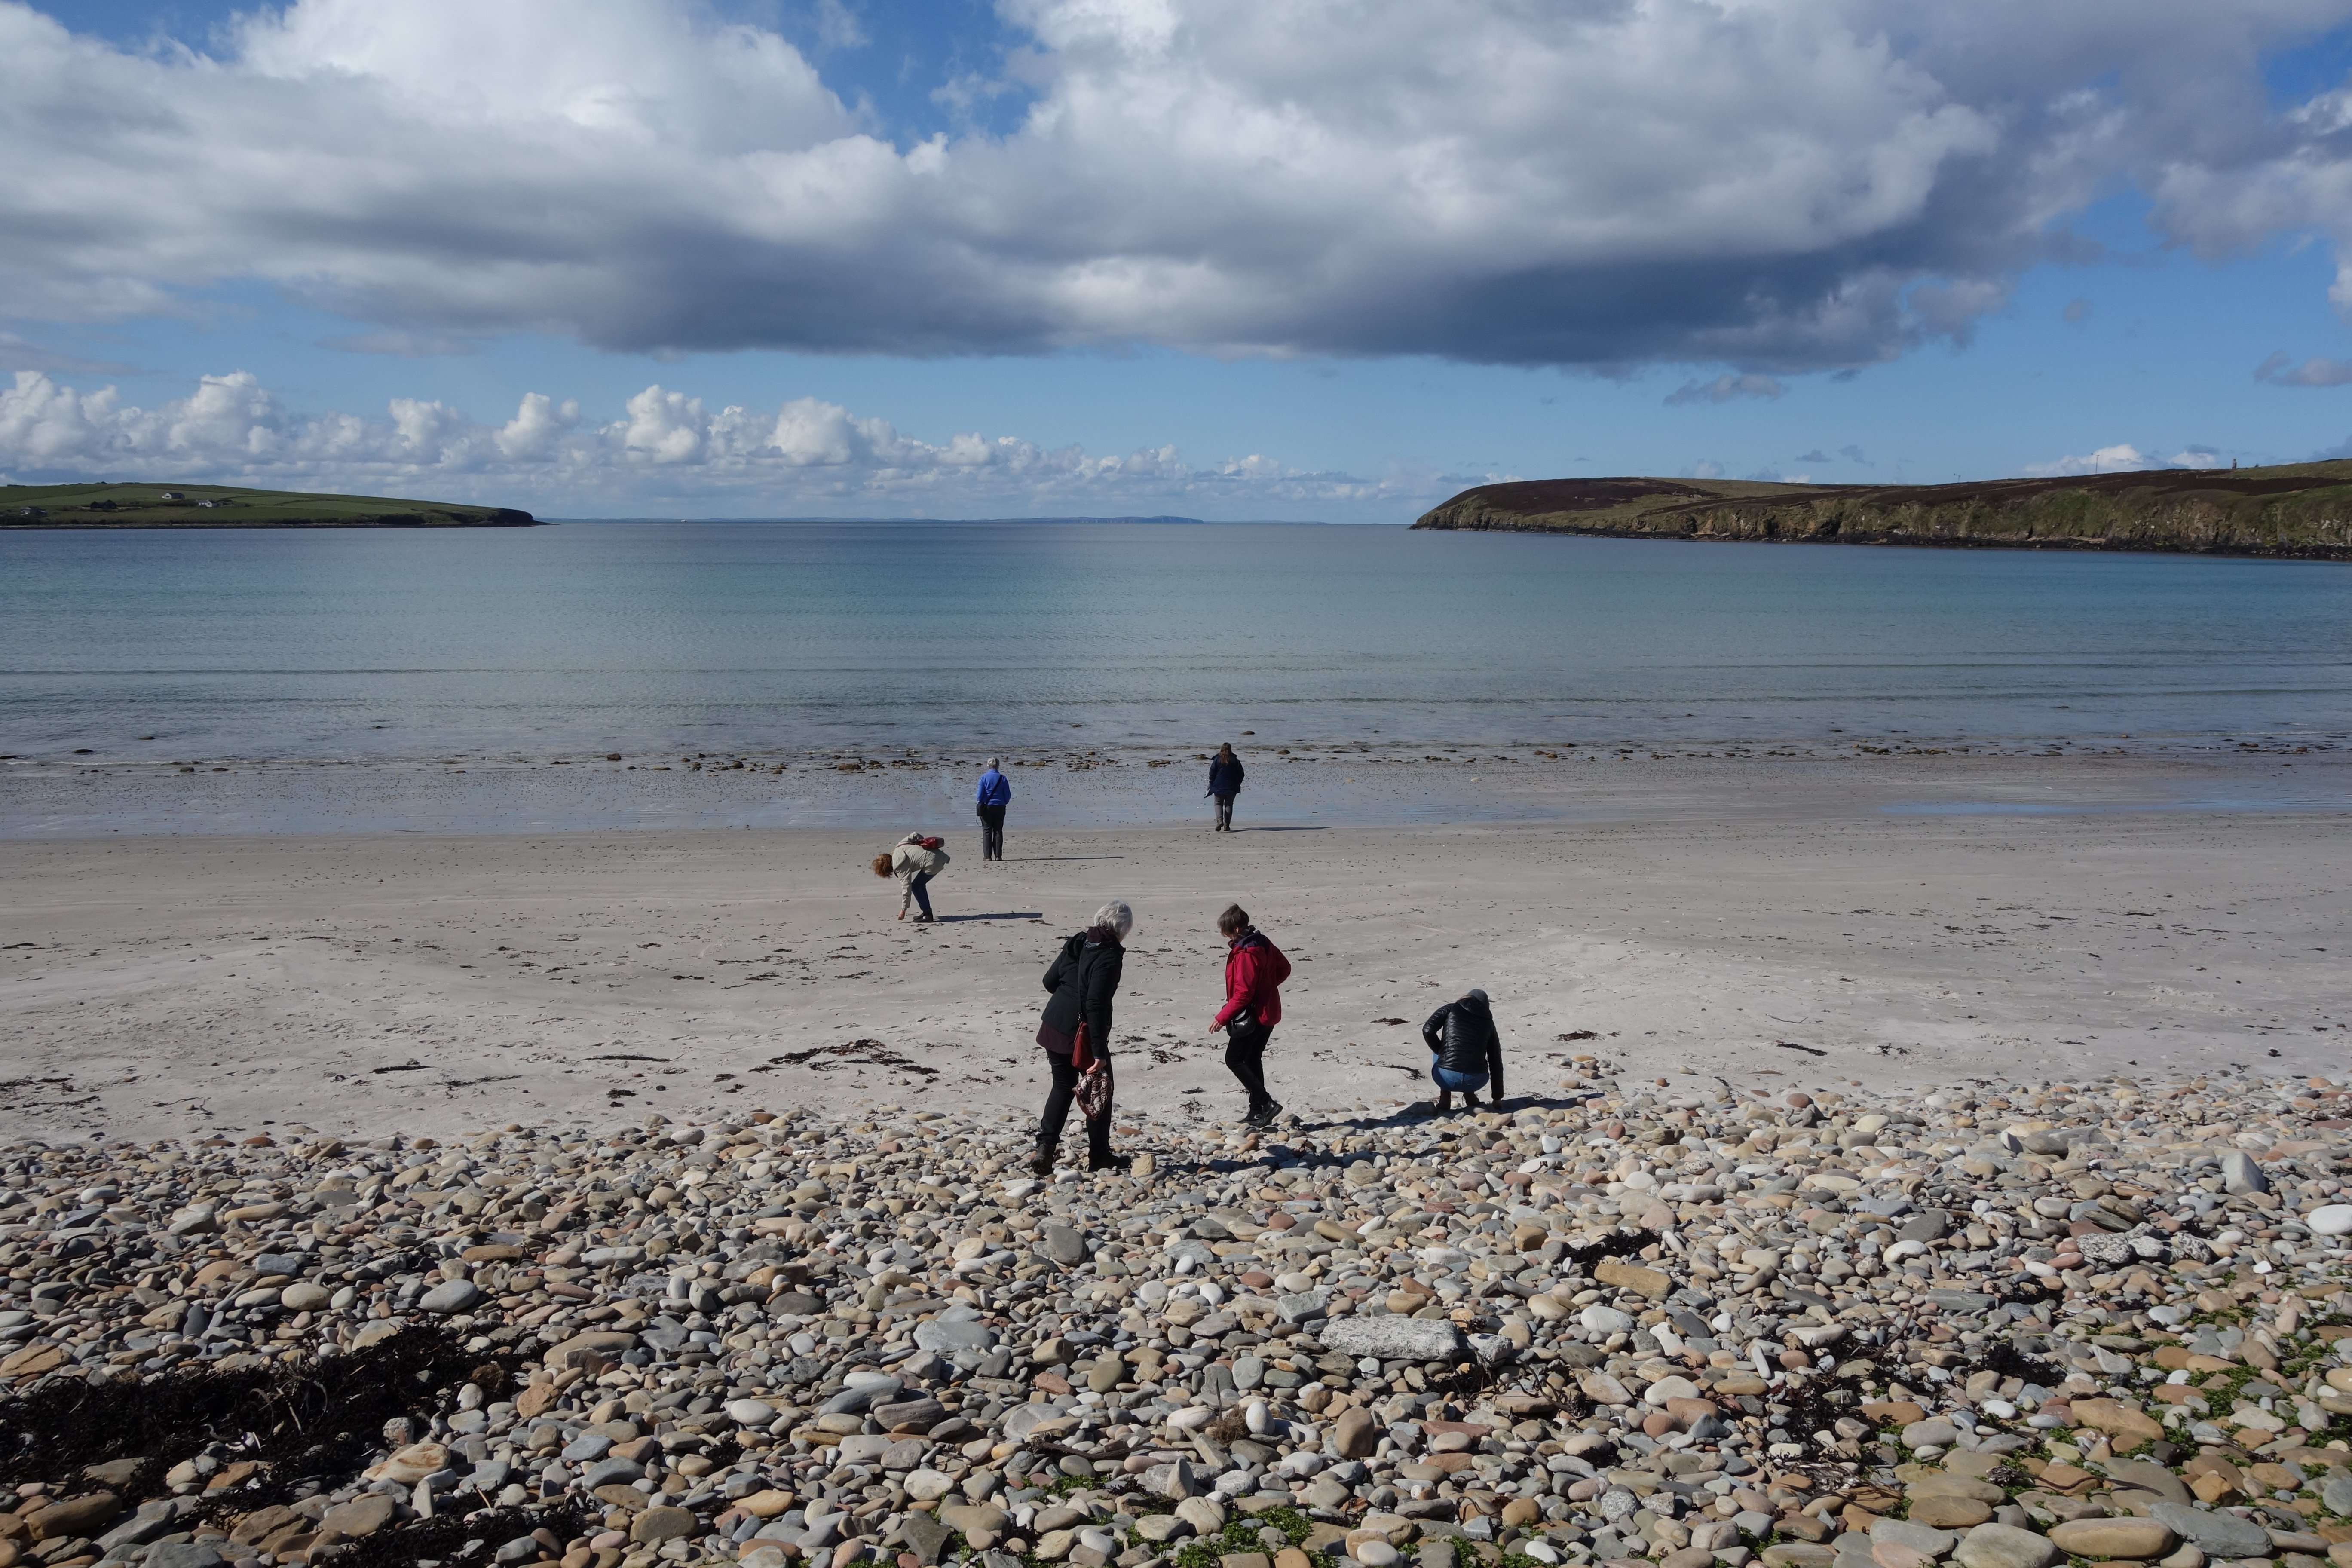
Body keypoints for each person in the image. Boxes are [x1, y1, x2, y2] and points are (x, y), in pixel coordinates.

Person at [1032, 901, 1134, 1174]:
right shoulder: (1110, 956)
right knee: (1101, 1090)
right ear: (1123, 929)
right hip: (1081, 1035)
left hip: (1053, 1024)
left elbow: (1049, 982)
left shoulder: (1079, 941)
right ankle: (1099, 1156)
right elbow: (1096, 1005)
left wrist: (1068, 993)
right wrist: (1100, 1053)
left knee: (1062, 1087)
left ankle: (1045, 1148)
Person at [1209, 903, 1291, 1127]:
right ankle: (1258, 1111)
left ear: (1236, 930)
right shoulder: (1263, 941)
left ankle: (1265, 1103)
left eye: (1225, 930)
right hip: (1269, 1011)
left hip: (1253, 1016)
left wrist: (1221, 1018)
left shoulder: (1246, 953)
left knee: (1234, 1059)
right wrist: (1267, 989)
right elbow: (1285, 968)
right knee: (1253, 1059)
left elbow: (1243, 994)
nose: (1223, 935)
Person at [1421, 988, 1505, 1113]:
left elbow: (1428, 1030)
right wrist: (1497, 1098)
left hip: (1446, 1077)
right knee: (1473, 1054)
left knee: (1441, 1050)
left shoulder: (1450, 1008)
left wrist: (1442, 1052)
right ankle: (1469, 1094)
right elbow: (1496, 1061)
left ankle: (1445, 1095)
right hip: (1476, 1081)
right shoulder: (1489, 1023)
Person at [874, 832, 949, 923]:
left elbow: (906, 888)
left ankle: (927, 914)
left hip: (935, 862)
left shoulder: (899, 866)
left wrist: (903, 909)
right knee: (919, 885)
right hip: (938, 855)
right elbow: (916, 835)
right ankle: (927, 912)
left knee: (916, 887)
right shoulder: (900, 846)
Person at [975, 757, 1011, 861]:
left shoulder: (983, 778)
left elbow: (979, 795)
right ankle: (998, 856)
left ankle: (987, 856)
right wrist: (1004, 802)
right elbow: (1008, 795)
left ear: (988, 765)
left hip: (987, 807)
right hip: (1000, 806)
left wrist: (980, 803)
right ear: (998, 766)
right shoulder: (1003, 778)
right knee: (998, 831)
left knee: (987, 831)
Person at [1207, 742, 1245, 831]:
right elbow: (1242, 774)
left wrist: (1212, 783)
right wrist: (1238, 783)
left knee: (1218, 804)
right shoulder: (1235, 761)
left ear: (1222, 749)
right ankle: (1227, 825)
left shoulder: (1217, 760)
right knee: (1229, 805)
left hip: (1218, 786)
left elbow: (1212, 773)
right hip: (1232, 787)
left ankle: (1220, 820)